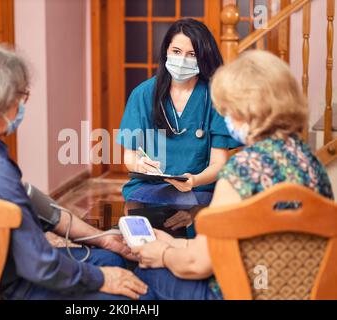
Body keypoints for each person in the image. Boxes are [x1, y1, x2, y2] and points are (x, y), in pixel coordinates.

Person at [0, 41, 147, 300]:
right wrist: (102, 279)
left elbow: (37, 205)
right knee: (123, 297)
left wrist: (100, 238)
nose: (22, 106)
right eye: (21, 96)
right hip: (9, 284)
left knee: (109, 256)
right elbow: (40, 264)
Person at [130, 50, 334, 300]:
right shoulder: (310, 162)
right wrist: (173, 243)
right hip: (300, 291)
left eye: (227, 110)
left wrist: (161, 254)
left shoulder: (242, 170)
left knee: (143, 276)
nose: (224, 118)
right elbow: (254, 245)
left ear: (245, 111)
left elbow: (197, 264)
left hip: (240, 292)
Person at [117, 19, 241, 232]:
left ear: (202, 57)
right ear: (166, 51)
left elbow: (219, 163)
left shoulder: (215, 97)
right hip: (149, 188)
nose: (182, 60)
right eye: (176, 51)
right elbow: (129, 157)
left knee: (195, 234)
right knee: (140, 236)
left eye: (191, 54)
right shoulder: (143, 94)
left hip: (200, 189)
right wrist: (140, 165)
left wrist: (193, 181)